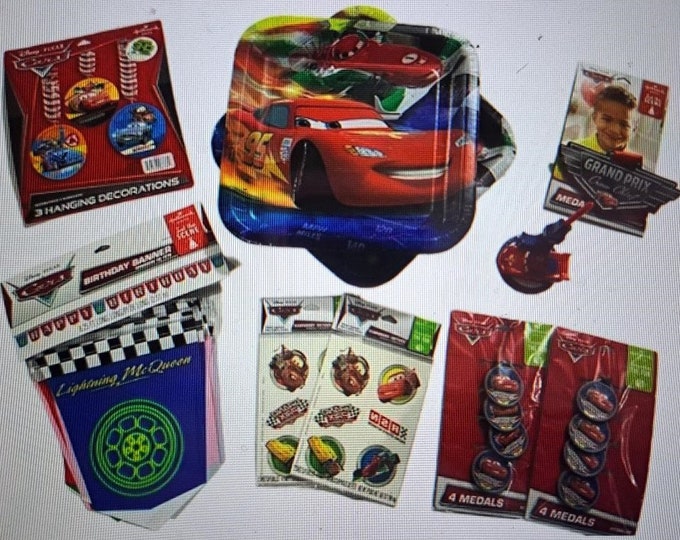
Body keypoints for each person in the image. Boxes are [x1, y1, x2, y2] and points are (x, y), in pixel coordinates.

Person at [553, 84, 639, 179]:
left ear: (634, 128)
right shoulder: (568, 156)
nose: (615, 130)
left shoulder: (637, 168)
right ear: (594, 117)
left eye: (624, 124)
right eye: (607, 119)